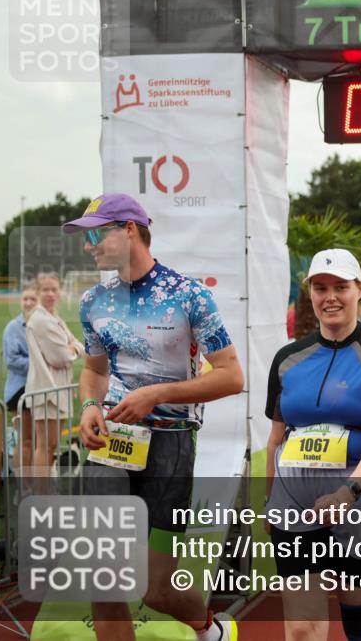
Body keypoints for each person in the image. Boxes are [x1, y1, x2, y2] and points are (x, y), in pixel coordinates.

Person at [64, 193, 244, 641]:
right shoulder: (93, 302)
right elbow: (93, 371)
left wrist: (156, 394)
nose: (90, 245)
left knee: (156, 589)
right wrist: (89, 406)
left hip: (171, 443)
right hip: (113, 444)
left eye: (96, 233)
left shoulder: (189, 295)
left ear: (128, 229)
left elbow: (231, 377)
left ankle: (211, 630)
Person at [265, 248, 361, 641]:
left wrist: (349, 493)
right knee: (301, 630)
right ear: (309, 292)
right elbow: (277, 437)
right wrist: (268, 499)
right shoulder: (287, 359)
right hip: (296, 504)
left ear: (360, 289)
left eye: (340, 287)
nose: (330, 296)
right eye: (320, 287)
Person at [25, 272, 84, 473]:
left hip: (57, 389)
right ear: (38, 292)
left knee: (51, 446)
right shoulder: (41, 319)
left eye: (54, 289)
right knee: (46, 446)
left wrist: (72, 347)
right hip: (47, 390)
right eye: (45, 289)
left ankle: (44, 490)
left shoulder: (54, 317)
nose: (50, 294)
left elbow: (76, 343)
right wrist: (72, 348)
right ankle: (41, 495)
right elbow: (61, 357)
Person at [2, 284, 37, 471]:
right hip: (20, 390)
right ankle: (21, 487)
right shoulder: (13, 328)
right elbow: (12, 360)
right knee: (26, 441)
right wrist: (39, 364)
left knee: (39, 441)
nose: (29, 302)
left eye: (33, 299)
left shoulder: (43, 324)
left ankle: (37, 485)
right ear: (20, 301)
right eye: (25, 299)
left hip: (40, 389)